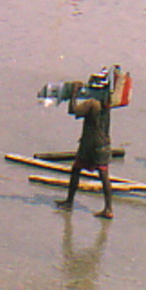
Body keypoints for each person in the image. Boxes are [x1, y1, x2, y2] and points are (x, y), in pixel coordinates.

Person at [57, 72, 115, 219]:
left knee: (76, 169)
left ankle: (69, 202)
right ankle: (108, 208)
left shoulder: (91, 103)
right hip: (104, 143)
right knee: (104, 175)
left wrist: (73, 94)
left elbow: (73, 110)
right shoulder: (107, 103)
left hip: (90, 143)